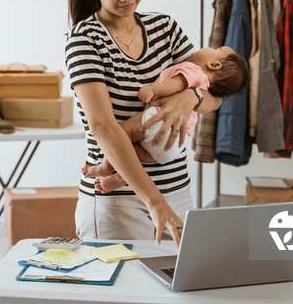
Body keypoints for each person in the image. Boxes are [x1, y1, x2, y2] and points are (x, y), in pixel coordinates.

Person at [65, 0, 222, 246]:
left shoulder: (165, 27)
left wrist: (189, 97)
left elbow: (214, 95)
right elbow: (104, 127)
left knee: (179, 293)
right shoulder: (84, 40)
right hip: (119, 204)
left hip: (177, 194)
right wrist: (154, 202)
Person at [82, 45, 249, 193]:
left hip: (159, 122)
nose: (207, 47)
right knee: (132, 155)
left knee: (123, 133)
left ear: (214, 64)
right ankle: (121, 178)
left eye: (215, 49)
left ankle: (106, 166)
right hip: (172, 148)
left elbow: (175, 84)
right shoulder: (205, 87)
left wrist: (152, 89)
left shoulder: (193, 70)